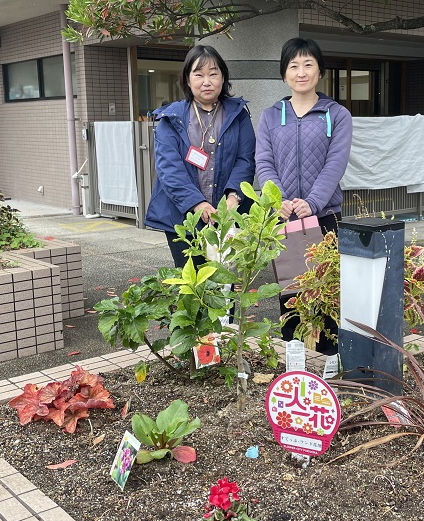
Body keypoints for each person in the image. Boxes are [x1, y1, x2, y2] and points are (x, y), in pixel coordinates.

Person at [255, 37, 353, 351]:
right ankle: (294, 361)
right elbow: (264, 161)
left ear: (320, 71)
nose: (301, 72)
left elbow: (335, 163)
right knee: (292, 293)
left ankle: (328, 360)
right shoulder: (270, 116)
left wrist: (312, 202)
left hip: (325, 217)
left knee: (327, 292)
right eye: (293, 65)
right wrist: (277, 201)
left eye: (308, 64)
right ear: (284, 74)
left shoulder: (337, 115)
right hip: (284, 220)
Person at [144, 45, 255, 268]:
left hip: (228, 215)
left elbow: (246, 159)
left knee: (224, 283)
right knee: (192, 285)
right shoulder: (171, 117)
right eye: (199, 74)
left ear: (223, 78)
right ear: (187, 79)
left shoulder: (238, 114)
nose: (207, 81)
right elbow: (168, 169)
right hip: (183, 216)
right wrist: (197, 204)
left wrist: (234, 197)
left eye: (213, 74)